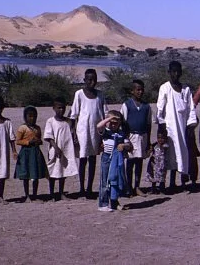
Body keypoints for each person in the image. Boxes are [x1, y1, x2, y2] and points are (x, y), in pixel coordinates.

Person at [156, 61, 198, 191]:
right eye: (173, 71)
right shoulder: (165, 88)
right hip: (169, 128)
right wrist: (161, 124)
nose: (176, 74)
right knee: (167, 155)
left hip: (182, 128)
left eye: (178, 71)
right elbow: (160, 108)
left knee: (179, 155)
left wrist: (191, 126)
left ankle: (174, 183)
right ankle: (162, 184)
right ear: (169, 72)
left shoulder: (186, 89)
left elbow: (191, 108)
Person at [70, 69, 108, 198]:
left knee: (92, 159)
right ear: (84, 80)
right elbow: (73, 115)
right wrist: (73, 133)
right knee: (83, 159)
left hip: (96, 133)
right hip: (83, 132)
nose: (92, 82)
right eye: (89, 80)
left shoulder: (100, 95)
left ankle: (89, 189)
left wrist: (104, 134)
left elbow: (104, 115)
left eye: (94, 79)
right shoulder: (79, 94)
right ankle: (81, 188)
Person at [120, 79, 152, 197]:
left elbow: (149, 124)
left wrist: (148, 141)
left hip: (142, 136)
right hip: (131, 136)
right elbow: (122, 123)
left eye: (142, 90)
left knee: (139, 161)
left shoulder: (147, 106)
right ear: (132, 91)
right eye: (137, 90)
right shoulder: (126, 105)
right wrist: (125, 139)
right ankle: (128, 187)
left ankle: (137, 186)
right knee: (130, 161)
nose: (140, 92)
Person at [97, 110, 133, 212]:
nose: (113, 125)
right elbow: (98, 126)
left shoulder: (121, 134)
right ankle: (103, 203)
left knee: (115, 181)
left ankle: (114, 202)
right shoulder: (106, 131)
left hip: (116, 160)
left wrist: (123, 145)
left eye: (115, 123)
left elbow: (129, 144)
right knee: (105, 181)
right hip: (106, 158)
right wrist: (109, 118)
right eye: (111, 122)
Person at [44, 97, 79, 201]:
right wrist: (56, 148)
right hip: (55, 150)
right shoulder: (50, 121)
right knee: (53, 172)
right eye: (59, 108)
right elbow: (48, 137)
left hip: (66, 150)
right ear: (54, 108)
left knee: (63, 172)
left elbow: (72, 134)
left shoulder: (67, 122)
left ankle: (61, 193)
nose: (61, 110)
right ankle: (51, 194)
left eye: (63, 108)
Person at [14, 106, 48, 202]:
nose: (32, 118)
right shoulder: (22, 128)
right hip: (25, 153)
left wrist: (38, 141)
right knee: (26, 175)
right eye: (30, 116)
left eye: (34, 116)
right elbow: (18, 141)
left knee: (35, 174)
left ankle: (35, 195)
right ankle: (27, 195)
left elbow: (40, 139)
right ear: (25, 117)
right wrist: (29, 142)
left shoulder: (37, 128)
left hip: (35, 153)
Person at [146, 128, 168, 194]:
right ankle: (153, 189)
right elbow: (149, 153)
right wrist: (151, 149)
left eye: (162, 138)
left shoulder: (165, 145)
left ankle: (162, 189)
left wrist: (160, 144)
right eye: (158, 138)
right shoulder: (154, 146)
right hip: (154, 164)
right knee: (153, 176)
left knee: (162, 177)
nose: (160, 140)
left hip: (161, 165)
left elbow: (164, 147)